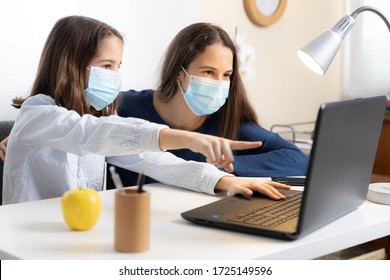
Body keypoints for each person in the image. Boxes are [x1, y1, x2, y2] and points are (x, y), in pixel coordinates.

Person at [2, 16, 290, 205]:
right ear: (71, 65)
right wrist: (188, 139)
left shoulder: (101, 117)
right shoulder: (37, 113)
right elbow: (91, 134)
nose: (115, 76)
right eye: (106, 66)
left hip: (79, 237)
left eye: (118, 66)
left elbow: (154, 161)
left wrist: (223, 180)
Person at [106, 22, 309, 189]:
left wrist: (221, 168)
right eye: (208, 72)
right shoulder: (123, 107)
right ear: (179, 72)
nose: (218, 83)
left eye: (226, 75)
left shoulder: (228, 122)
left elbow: (298, 160)